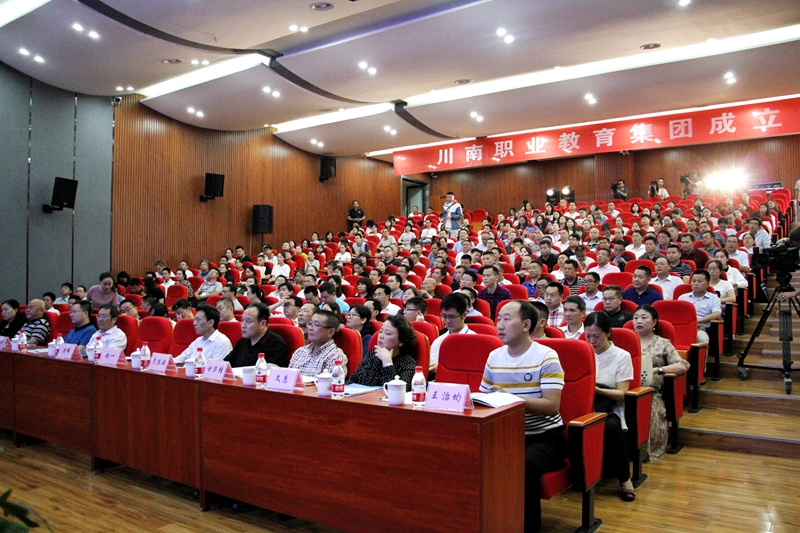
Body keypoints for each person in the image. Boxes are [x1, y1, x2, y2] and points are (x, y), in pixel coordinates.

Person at [479, 300, 565, 533]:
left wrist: (510, 399)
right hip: (506, 434)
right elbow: (485, 399)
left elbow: (551, 406)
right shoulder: (494, 356)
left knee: (522, 465)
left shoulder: (547, 356)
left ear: (527, 325)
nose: (499, 325)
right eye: (498, 319)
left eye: (507, 319)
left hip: (544, 437)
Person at [583, 311, 636, 501]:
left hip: (609, 405)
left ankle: (625, 479)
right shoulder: (582, 351)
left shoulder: (621, 356)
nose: (592, 341)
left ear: (608, 333)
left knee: (611, 427)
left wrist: (596, 389)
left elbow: (621, 394)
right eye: (588, 336)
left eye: (596, 336)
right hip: (584, 404)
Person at [632, 306, 689, 460]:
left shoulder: (663, 343)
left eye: (644, 317)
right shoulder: (627, 342)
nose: (638, 321)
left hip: (652, 392)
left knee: (648, 409)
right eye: (636, 318)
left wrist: (658, 370)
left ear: (654, 322)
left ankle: (642, 452)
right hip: (626, 389)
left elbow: (682, 365)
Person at [346, 314, 418, 391]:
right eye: (381, 331)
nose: (380, 336)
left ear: (401, 341)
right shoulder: (373, 354)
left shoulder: (409, 364)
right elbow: (351, 381)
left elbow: (397, 392)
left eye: (388, 333)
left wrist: (387, 363)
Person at [224, 303, 289, 368]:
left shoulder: (276, 344)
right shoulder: (242, 342)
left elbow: (271, 371)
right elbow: (225, 364)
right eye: (242, 320)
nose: (243, 325)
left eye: (248, 321)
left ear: (262, 324)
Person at [289, 310, 347, 377]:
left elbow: (334, 382)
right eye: (310, 323)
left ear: (330, 332)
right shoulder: (300, 351)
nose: (310, 328)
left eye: (316, 325)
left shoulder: (336, 356)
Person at [429, 293, 476, 374]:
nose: (447, 321)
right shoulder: (438, 341)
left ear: (464, 315)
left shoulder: (474, 340)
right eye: (444, 316)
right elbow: (432, 368)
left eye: (452, 317)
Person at [678, 270, 722, 344]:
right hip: (683, 327)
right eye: (694, 281)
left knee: (702, 339)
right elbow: (677, 314)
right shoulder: (683, 297)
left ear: (708, 284)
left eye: (699, 281)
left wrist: (697, 321)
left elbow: (717, 314)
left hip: (701, 327)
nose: (696, 284)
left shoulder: (713, 298)